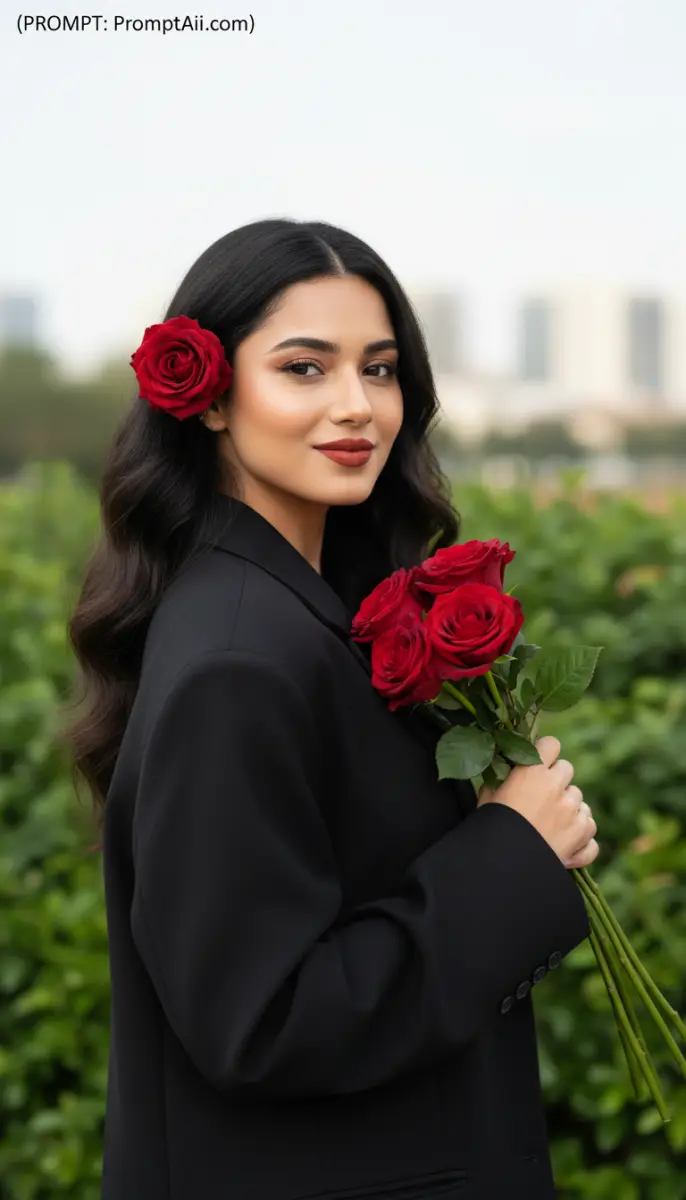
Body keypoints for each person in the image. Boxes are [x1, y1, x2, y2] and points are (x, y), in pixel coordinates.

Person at [65, 218, 598, 1200]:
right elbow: (262, 1021)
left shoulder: (309, 610)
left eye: (380, 369)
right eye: (304, 368)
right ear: (208, 394)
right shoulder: (238, 658)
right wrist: (511, 855)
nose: (357, 405)